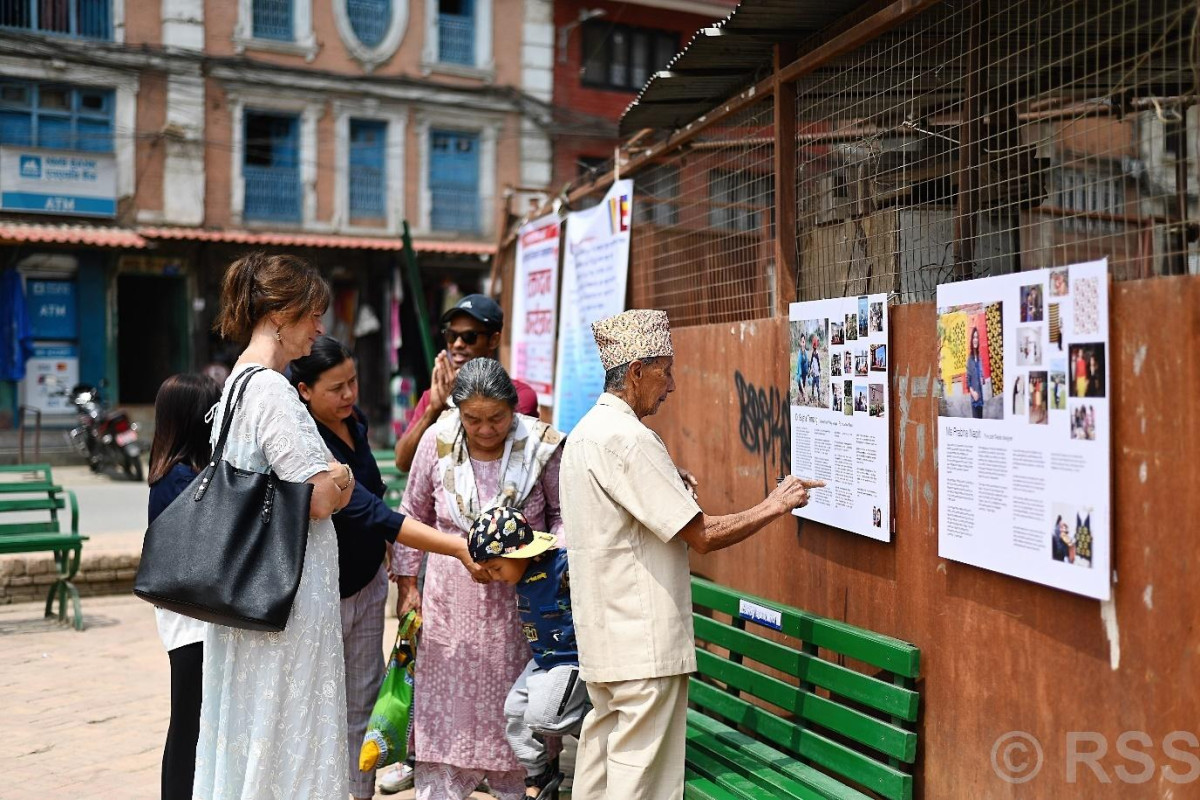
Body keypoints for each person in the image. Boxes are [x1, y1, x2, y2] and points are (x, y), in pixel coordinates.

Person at [559, 309, 824, 800]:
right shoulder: (628, 440)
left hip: (604, 645)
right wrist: (775, 504)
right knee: (640, 784)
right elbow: (703, 534)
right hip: (642, 650)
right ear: (636, 370)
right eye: (665, 369)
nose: (673, 384)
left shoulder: (585, 435)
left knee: (599, 775)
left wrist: (671, 484)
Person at [289, 336, 486, 800]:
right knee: (318, 708)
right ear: (303, 391)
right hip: (321, 598)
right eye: (336, 388)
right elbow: (376, 513)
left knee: (362, 701)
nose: (349, 395)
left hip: (365, 585)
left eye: (353, 382)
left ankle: (358, 792)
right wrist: (456, 547)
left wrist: (393, 575)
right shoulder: (304, 444)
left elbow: (378, 491)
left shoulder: (352, 424)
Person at [193, 252, 356, 799]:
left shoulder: (235, 385)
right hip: (287, 595)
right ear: (281, 314)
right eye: (313, 315)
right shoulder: (273, 392)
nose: (319, 328)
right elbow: (314, 497)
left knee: (251, 718)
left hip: (247, 589)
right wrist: (342, 476)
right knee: (289, 724)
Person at [391, 357, 564, 800]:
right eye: (473, 419)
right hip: (450, 606)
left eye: (497, 419)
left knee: (514, 722)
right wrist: (408, 586)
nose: (485, 429)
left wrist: (544, 562)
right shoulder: (437, 441)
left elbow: (565, 515)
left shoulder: (541, 448)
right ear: (457, 413)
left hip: (520, 607)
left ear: (514, 410)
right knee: (447, 721)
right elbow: (413, 513)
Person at [467, 506, 587, 800]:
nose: (494, 577)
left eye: (496, 568)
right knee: (515, 713)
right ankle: (539, 774)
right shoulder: (519, 574)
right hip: (543, 662)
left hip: (570, 661)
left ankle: (609, 722)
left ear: (517, 554)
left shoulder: (563, 566)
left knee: (543, 718)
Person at [147, 373, 221, 800]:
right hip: (190, 620)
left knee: (195, 719)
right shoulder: (180, 479)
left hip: (190, 615)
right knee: (189, 721)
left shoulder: (175, 472)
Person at [393, 294, 538, 473]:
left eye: (470, 336)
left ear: (493, 340)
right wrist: (433, 410)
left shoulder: (519, 395)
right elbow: (402, 462)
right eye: (452, 335)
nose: (458, 344)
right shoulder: (435, 397)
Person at [966, 327, 984, 419]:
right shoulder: (969, 359)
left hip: (981, 397)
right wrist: (973, 393)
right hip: (975, 398)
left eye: (977, 337)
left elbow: (982, 376)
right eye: (974, 337)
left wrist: (982, 378)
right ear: (971, 340)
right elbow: (967, 380)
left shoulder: (980, 358)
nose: (975, 340)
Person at [794, 337, 809, 402]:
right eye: (802, 342)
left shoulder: (806, 352)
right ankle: (802, 395)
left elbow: (807, 363)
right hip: (800, 375)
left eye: (804, 342)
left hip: (804, 374)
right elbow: (799, 372)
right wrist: (805, 394)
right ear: (800, 343)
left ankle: (802, 395)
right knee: (801, 389)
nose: (803, 343)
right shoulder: (799, 355)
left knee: (804, 385)